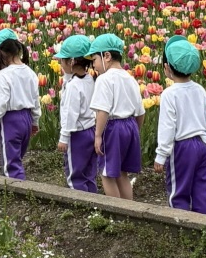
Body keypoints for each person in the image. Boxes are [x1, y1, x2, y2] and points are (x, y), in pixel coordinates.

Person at [152, 35, 206, 214]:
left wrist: (161, 155)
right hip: (202, 145)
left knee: (179, 191)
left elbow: (167, 127)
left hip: (182, 148)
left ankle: (182, 229)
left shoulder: (169, 94)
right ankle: (204, 225)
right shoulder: (200, 90)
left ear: (166, 68)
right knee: (201, 190)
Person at [88, 33, 145, 200]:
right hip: (130, 125)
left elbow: (103, 111)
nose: (94, 65)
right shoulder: (130, 78)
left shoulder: (104, 79)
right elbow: (141, 112)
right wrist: (135, 130)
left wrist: (98, 135)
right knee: (122, 173)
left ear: (106, 56)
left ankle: (117, 212)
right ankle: (129, 211)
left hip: (113, 128)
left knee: (107, 174)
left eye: (94, 60)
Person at [0, 29, 41, 180]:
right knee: (18, 157)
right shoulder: (30, 72)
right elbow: (36, 100)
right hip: (27, 118)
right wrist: (35, 122)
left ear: (1, 53)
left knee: (11, 162)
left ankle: (15, 190)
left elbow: (1, 104)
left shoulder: (4, 75)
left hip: (10, 120)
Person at [54, 35, 98, 193]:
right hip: (91, 130)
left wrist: (64, 137)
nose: (60, 63)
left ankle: (78, 201)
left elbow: (70, 114)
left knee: (75, 172)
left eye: (62, 60)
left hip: (76, 134)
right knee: (89, 171)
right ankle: (93, 199)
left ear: (71, 62)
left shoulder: (73, 86)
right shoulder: (90, 79)